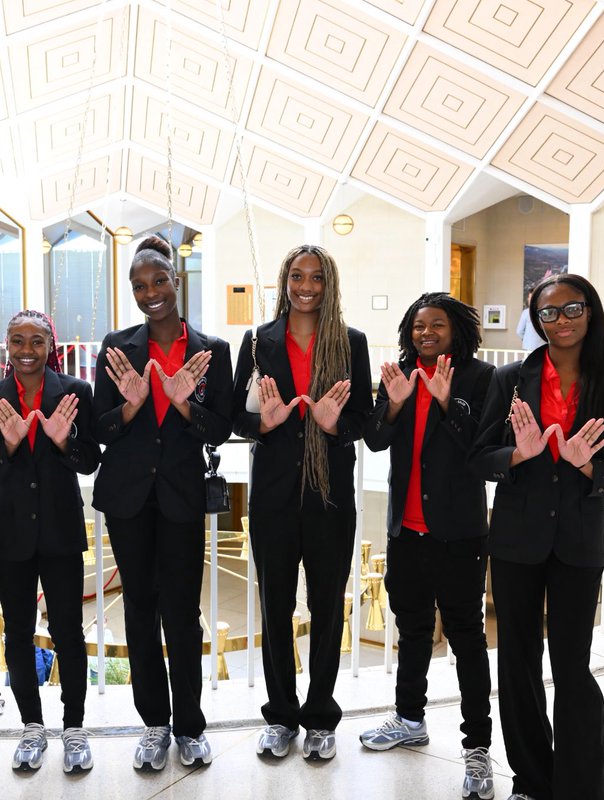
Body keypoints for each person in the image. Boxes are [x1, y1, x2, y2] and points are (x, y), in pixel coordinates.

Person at [470, 274, 604, 800]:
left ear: (591, 311)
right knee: (517, 667)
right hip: (518, 540)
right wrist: (520, 453)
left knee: (572, 670)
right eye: (549, 312)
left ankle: (582, 786)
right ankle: (531, 781)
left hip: (577, 542)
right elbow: (482, 456)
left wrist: (586, 467)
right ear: (535, 319)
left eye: (572, 309)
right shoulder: (509, 379)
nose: (561, 321)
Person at [91, 236, 232, 771]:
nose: (151, 293)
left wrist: (183, 404)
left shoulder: (212, 352)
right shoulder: (117, 345)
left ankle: (190, 727)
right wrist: (131, 408)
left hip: (179, 498)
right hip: (128, 499)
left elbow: (220, 427)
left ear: (178, 281)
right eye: (140, 285)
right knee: (140, 611)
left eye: (159, 281)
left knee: (182, 614)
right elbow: (101, 428)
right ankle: (154, 725)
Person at [231, 244, 373, 762]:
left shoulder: (350, 342)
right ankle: (281, 716)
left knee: (326, 607)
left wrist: (336, 428)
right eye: (297, 275)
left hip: (329, 495)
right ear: (283, 280)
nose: (306, 285)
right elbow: (233, 416)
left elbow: (365, 420)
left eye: (316, 276)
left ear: (329, 283)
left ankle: (319, 717)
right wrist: (261, 424)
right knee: (274, 607)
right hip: (272, 495)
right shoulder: (257, 341)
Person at [360, 292, 496, 799]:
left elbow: (481, 450)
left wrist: (445, 401)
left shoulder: (480, 378)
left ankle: (477, 749)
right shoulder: (399, 374)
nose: (426, 333)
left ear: (456, 330)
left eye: (437, 325)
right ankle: (409, 718)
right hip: (407, 531)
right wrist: (393, 404)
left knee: (466, 639)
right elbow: (375, 439)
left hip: (459, 533)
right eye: (418, 326)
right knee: (412, 629)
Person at [0, 310, 99, 774]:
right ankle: (31, 727)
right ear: (6, 344)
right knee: (19, 634)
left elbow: (89, 462)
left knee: (68, 631)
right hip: (10, 533)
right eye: (17, 340)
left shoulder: (75, 393)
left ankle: (74, 729)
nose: (27, 350)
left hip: (62, 530)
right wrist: (8, 445)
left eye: (37, 341)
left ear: (51, 344)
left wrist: (64, 442)